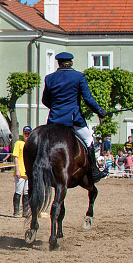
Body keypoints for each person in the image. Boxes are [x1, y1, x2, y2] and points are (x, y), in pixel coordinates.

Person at [41, 52, 108, 181]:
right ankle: (94, 171)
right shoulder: (79, 77)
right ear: (71, 62)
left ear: (58, 63)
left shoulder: (49, 78)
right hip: (73, 120)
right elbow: (88, 99)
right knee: (89, 141)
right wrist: (99, 110)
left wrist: (56, 109)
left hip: (54, 120)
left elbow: (45, 100)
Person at [12, 125, 31, 216]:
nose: (27, 135)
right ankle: (16, 211)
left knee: (26, 192)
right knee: (18, 191)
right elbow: (15, 157)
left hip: (28, 172)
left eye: (28, 133)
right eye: (25, 133)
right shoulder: (18, 143)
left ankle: (25, 211)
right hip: (21, 171)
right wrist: (17, 170)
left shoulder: (31, 144)